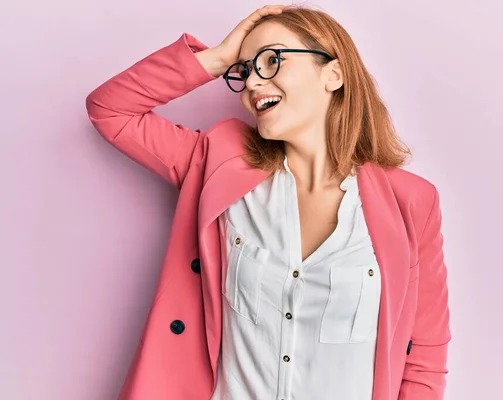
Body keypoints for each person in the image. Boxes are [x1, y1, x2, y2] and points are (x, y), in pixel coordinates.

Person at [85, 4, 450, 400]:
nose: (253, 83)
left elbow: (425, 355)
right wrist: (219, 57)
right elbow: (110, 110)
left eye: (271, 60)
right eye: (243, 72)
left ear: (334, 73)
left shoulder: (411, 202)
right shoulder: (217, 165)